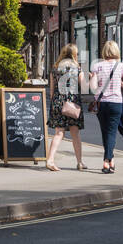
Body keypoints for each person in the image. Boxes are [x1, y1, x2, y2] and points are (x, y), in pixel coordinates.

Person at [89, 40, 123, 174]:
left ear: (104, 52)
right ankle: (108, 161)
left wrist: (92, 78)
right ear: (116, 51)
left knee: (105, 132)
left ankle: (109, 160)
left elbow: (93, 88)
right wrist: (120, 83)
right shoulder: (122, 66)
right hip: (116, 103)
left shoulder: (97, 66)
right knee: (111, 133)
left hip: (101, 103)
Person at [45, 43, 87, 172]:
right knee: (75, 133)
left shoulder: (55, 68)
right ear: (74, 54)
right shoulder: (78, 69)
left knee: (58, 133)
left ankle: (50, 160)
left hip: (58, 102)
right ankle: (80, 162)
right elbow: (84, 88)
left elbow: (51, 91)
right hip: (73, 103)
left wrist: (56, 100)